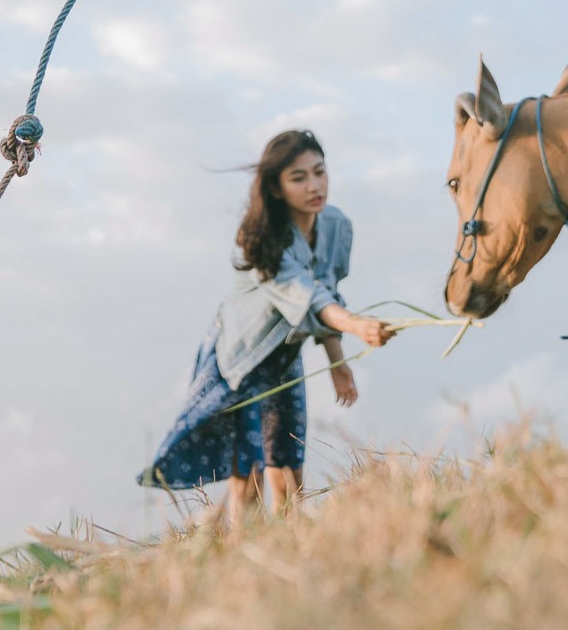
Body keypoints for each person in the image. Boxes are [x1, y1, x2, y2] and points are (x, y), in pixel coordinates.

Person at [138, 129, 394, 526]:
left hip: (285, 353)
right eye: (299, 178)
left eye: (319, 172)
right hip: (241, 357)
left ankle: (289, 542)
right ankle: (244, 548)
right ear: (275, 188)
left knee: (289, 462)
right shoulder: (260, 239)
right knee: (250, 471)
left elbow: (328, 291)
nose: (314, 186)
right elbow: (311, 299)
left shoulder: (337, 226)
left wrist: (339, 365)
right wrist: (358, 326)